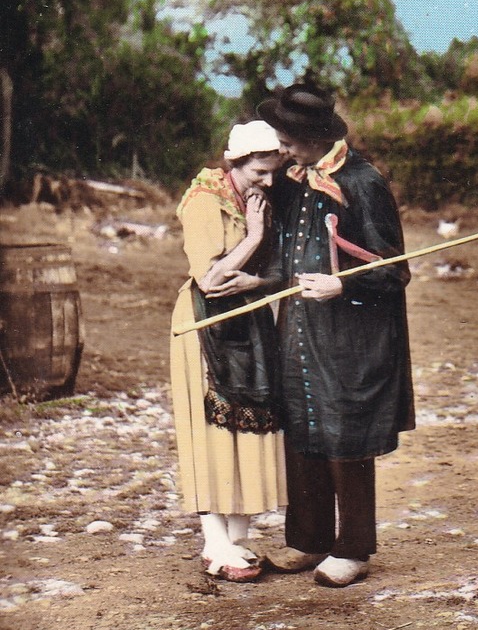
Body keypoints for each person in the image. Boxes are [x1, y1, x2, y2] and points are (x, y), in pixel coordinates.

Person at [254, 82, 414, 588]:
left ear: (315, 138)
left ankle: (353, 548)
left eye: (288, 140)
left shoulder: (363, 182)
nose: (281, 149)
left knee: (345, 432)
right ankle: (309, 539)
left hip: (351, 331)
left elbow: (395, 269)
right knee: (302, 425)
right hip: (300, 327)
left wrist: (342, 284)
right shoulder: (293, 178)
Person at [169, 120, 287, 582]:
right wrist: (254, 238)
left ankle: (236, 535)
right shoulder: (204, 202)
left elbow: (273, 269)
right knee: (211, 425)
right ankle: (213, 541)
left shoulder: (255, 198)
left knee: (248, 419)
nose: (269, 181)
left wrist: (260, 276)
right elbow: (211, 279)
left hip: (250, 318)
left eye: (273, 170)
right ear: (234, 163)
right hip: (208, 323)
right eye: (260, 171)